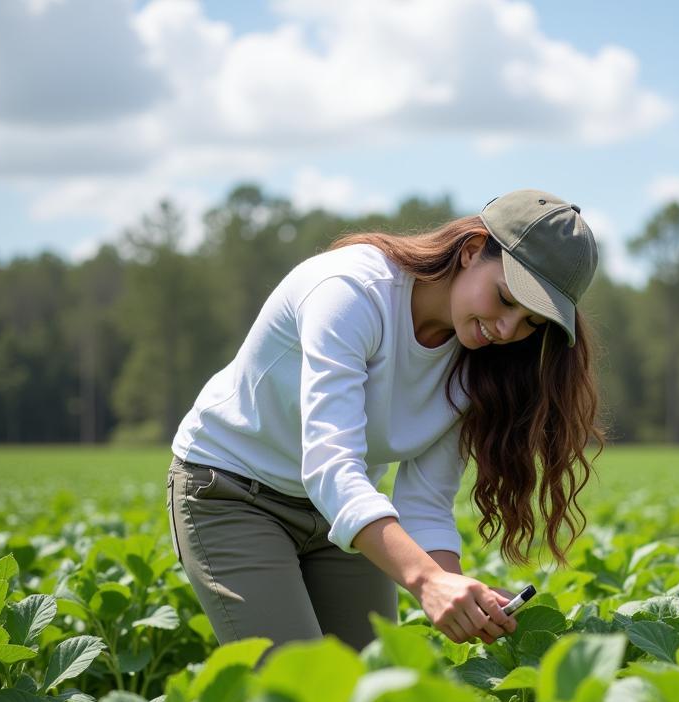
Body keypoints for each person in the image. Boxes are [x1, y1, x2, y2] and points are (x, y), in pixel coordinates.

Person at [166, 189, 602, 652]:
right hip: (233, 493)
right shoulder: (351, 291)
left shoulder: (480, 362)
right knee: (300, 696)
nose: (509, 330)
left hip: (340, 517)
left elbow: (427, 503)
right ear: (473, 250)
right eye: (506, 298)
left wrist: (458, 593)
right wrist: (426, 580)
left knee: (371, 692)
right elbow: (330, 464)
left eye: (532, 322)